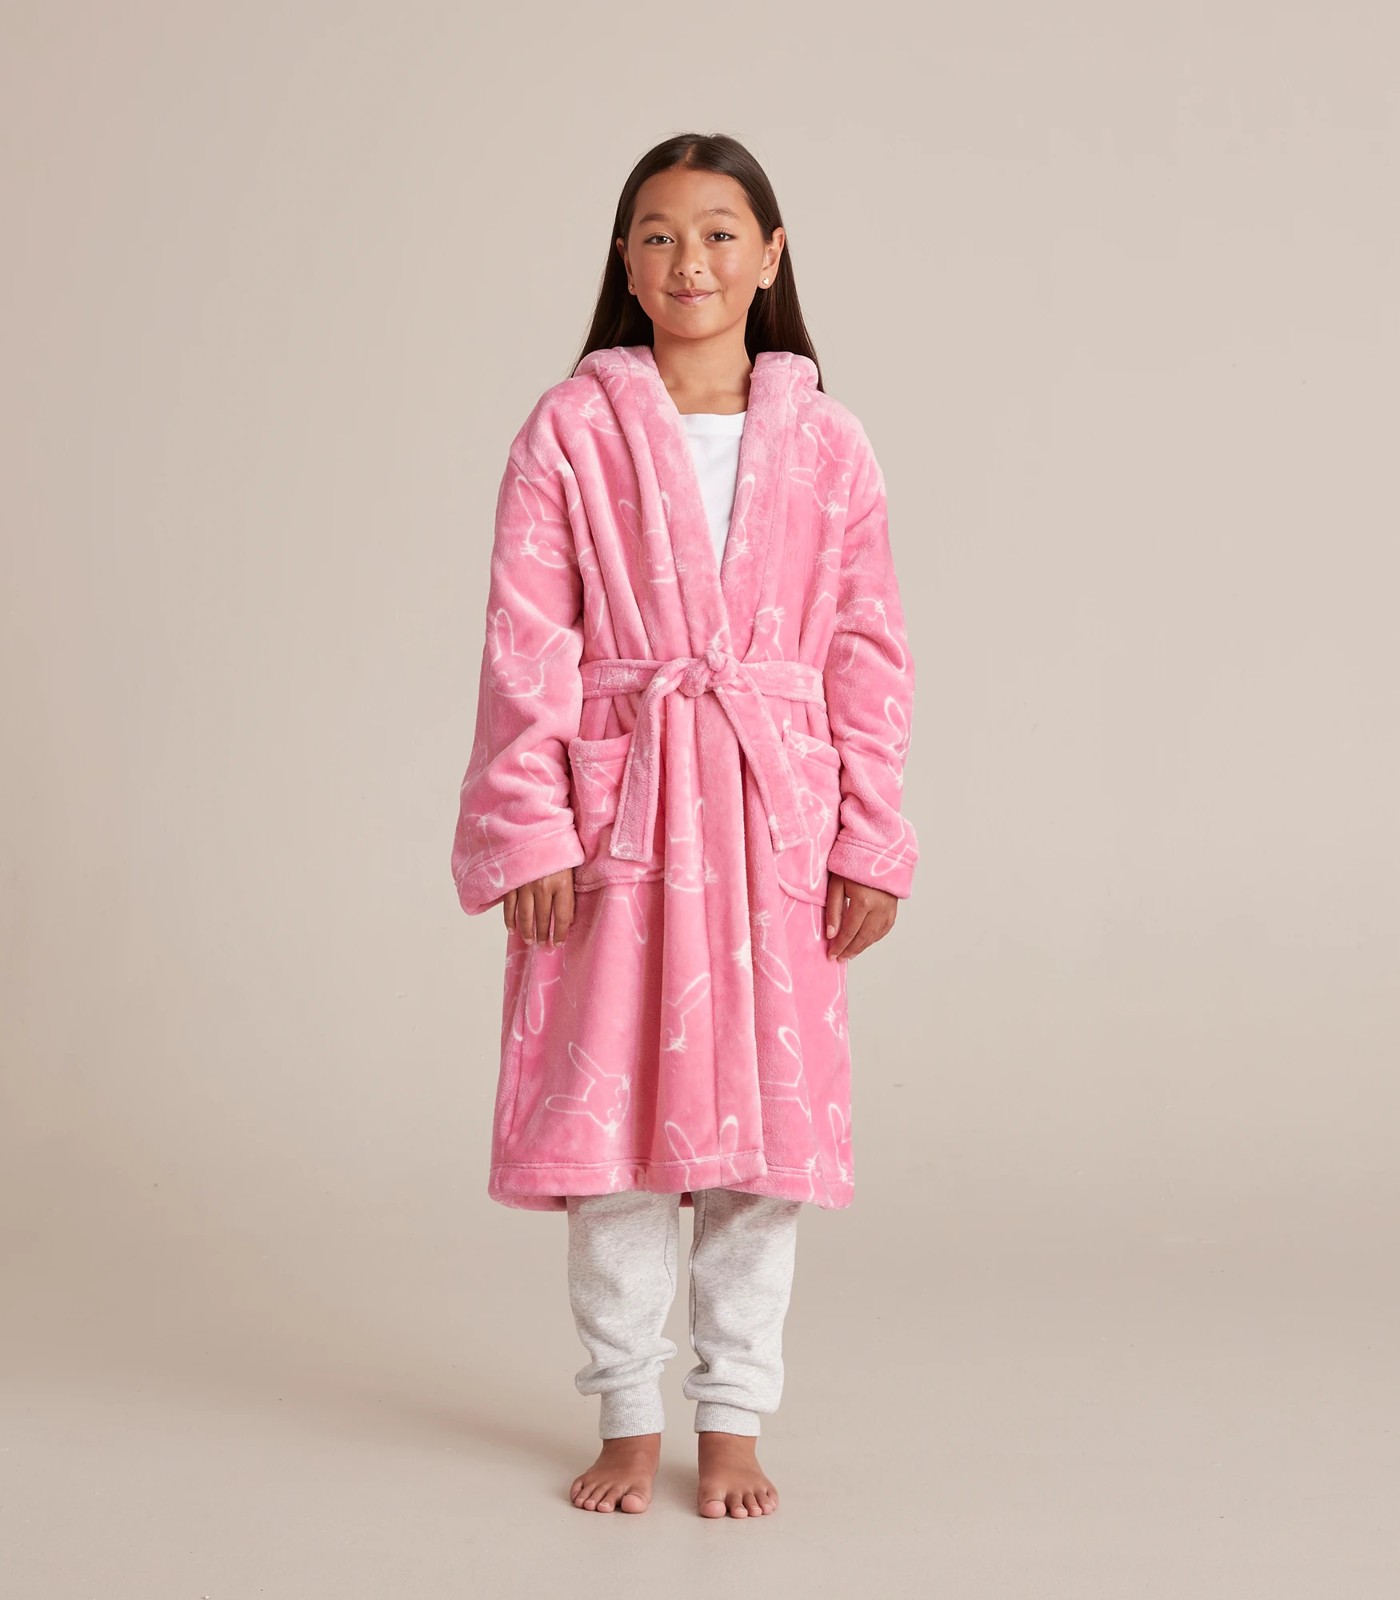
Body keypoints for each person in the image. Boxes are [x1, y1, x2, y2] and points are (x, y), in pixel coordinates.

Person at [450, 132, 919, 1519]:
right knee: (611, 1133)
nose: (689, 260)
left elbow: (868, 651)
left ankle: (733, 1420)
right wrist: (533, 827)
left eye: (719, 232)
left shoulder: (828, 442)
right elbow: (525, 641)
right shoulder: (571, 429)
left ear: (771, 256)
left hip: (776, 815)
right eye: (657, 234)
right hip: (624, 812)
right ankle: (625, 1415)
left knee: (763, 1145)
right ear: (624, 259)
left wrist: (868, 835)